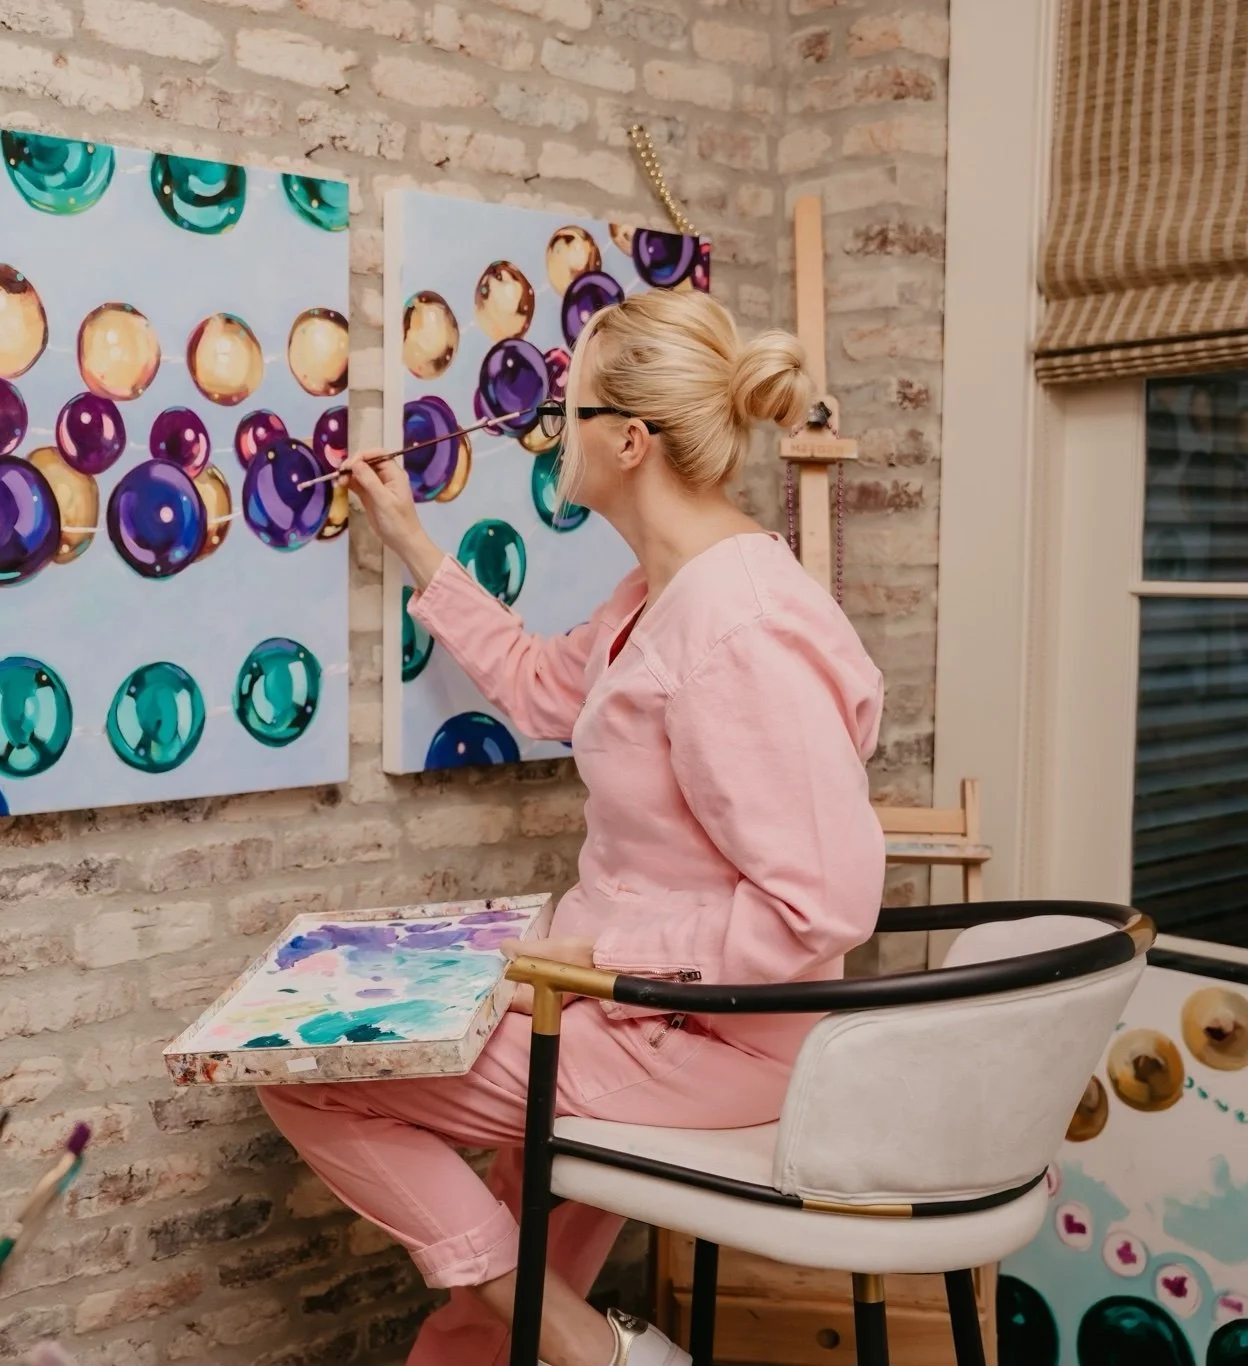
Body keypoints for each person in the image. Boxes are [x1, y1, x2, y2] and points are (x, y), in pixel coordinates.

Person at [258, 288, 887, 1366]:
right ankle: (545, 1338)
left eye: (567, 410)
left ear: (629, 441)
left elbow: (819, 906)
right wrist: (411, 536)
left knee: (299, 1069)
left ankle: (591, 1351)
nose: (547, 429)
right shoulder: (660, 590)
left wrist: (600, 957)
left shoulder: (734, 630)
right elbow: (550, 690)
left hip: (704, 1040)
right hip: (626, 1010)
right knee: (520, 1235)